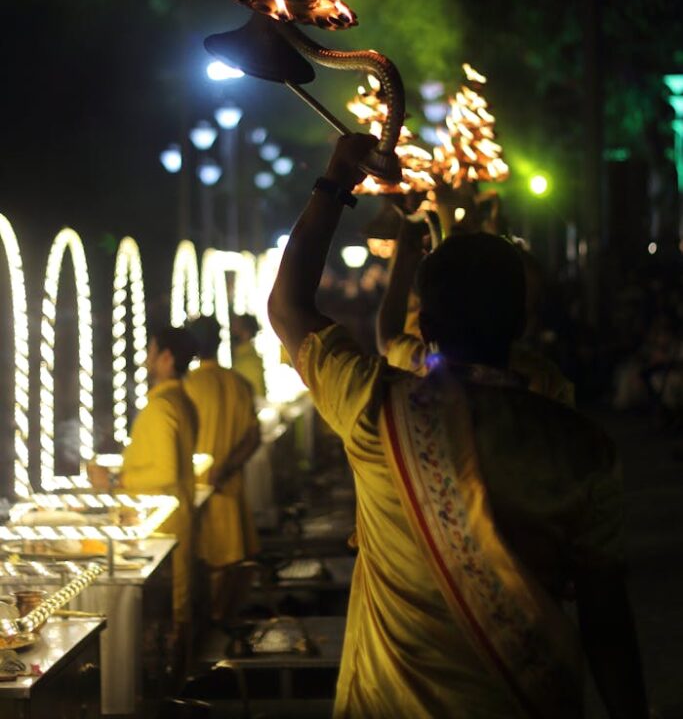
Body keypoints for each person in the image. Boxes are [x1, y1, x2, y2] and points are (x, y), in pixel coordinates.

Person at [268, 134, 648, 719]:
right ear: (522, 322)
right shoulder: (583, 448)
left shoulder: (378, 410)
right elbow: (607, 619)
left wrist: (337, 176)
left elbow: (289, 306)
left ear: (429, 321)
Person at [377, 214, 575, 407]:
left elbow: (388, 339)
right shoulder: (545, 382)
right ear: (521, 324)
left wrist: (404, 255)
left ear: (425, 328)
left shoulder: (415, 371)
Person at [88, 325, 198, 669]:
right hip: (173, 523)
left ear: (166, 358)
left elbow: (164, 472)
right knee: (175, 617)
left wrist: (115, 479)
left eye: (151, 350)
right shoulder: (181, 401)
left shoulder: (163, 407)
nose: (147, 358)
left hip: (161, 528)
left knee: (167, 624)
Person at [185, 314, 261, 625]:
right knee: (229, 588)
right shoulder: (237, 383)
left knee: (202, 591)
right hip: (230, 496)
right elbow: (253, 438)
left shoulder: (185, 388)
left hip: (196, 501)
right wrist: (226, 469)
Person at [230, 312, 267, 399]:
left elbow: (258, 398)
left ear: (246, 332)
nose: (232, 330)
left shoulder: (249, 361)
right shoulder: (242, 357)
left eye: (236, 327)